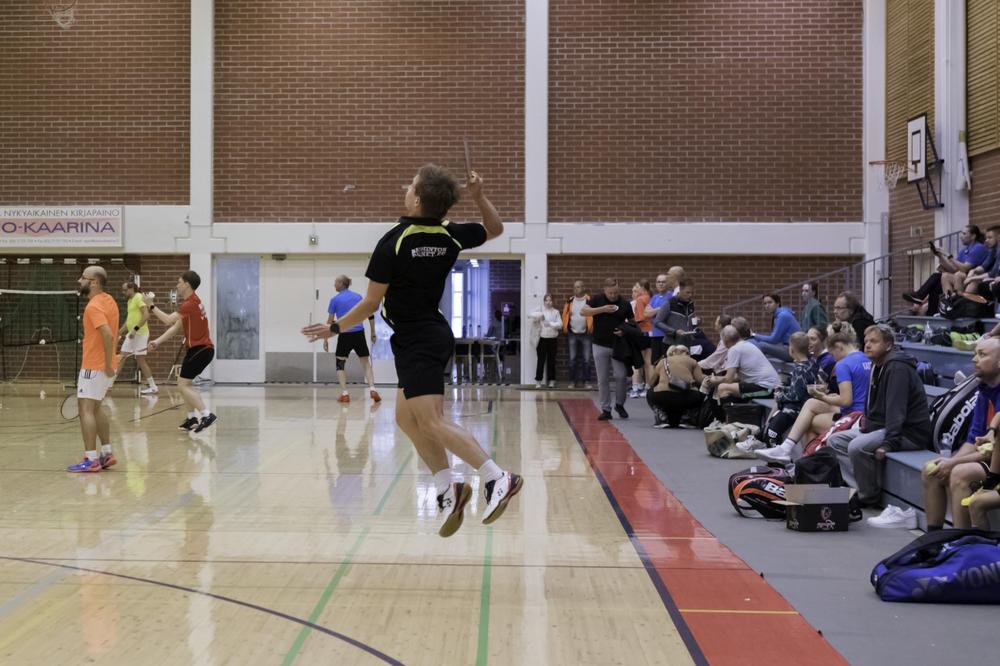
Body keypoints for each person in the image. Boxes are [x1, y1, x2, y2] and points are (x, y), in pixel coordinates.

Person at [301, 164, 522, 537]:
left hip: (420, 339)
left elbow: (371, 303)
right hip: (421, 336)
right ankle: (447, 487)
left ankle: (497, 476)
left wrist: (335, 326)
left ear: (417, 199)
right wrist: (480, 197)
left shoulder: (394, 241)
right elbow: (495, 229)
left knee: (432, 421)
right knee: (407, 419)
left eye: (411, 186)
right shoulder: (450, 233)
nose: (406, 188)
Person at [827, 325, 932, 518]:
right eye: (866, 341)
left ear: (888, 345)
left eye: (874, 341)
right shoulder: (878, 365)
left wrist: (889, 443)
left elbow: (896, 409)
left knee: (856, 446)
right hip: (884, 427)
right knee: (835, 440)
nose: (867, 345)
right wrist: (868, 428)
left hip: (908, 433)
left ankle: (868, 496)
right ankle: (860, 487)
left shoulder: (897, 368)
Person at [756, 322, 870, 463]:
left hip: (853, 416)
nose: (833, 358)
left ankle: (804, 462)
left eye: (832, 353)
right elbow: (857, 392)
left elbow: (846, 401)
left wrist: (823, 397)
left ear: (839, 347)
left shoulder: (843, 364)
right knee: (811, 403)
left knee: (810, 423)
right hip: (862, 411)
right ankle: (796, 457)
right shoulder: (865, 358)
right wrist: (829, 397)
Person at [922, 337, 1000, 530]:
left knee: (959, 473)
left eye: (982, 354)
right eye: (975, 354)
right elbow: (973, 439)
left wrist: (954, 463)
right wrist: (949, 462)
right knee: (932, 471)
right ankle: (934, 537)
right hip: (990, 460)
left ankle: (960, 540)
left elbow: (993, 450)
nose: (974, 359)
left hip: (997, 463)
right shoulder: (984, 390)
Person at [145, 271, 218, 433]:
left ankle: (207, 415)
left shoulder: (190, 304)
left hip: (201, 349)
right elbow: (176, 327)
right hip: (199, 350)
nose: (177, 286)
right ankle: (192, 419)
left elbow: (168, 320)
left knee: (183, 385)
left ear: (187, 285)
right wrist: (157, 341)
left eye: (179, 282)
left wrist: (151, 305)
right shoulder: (192, 303)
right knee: (185, 384)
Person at [66, 266, 120, 473]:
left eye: (83, 277)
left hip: (95, 366)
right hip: (105, 366)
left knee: (85, 410)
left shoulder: (93, 307)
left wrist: (106, 364)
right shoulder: (109, 300)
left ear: (94, 283)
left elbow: (107, 334)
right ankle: (107, 453)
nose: (79, 281)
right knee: (96, 409)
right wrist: (110, 362)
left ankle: (91, 459)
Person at [903, 225, 989, 314]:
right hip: (959, 278)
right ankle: (932, 311)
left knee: (937, 276)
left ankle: (920, 296)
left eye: (964, 234)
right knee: (937, 284)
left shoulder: (979, 248)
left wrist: (949, 256)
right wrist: (940, 256)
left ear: (973, 236)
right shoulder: (964, 251)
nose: (961, 236)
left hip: (970, 279)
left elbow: (964, 268)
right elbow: (954, 269)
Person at [581, 278, 634, 421]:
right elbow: (583, 311)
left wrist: (624, 331)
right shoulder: (597, 299)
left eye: (616, 292)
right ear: (604, 290)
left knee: (621, 375)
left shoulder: (625, 304)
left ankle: (620, 404)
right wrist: (602, 309)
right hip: (599, 344)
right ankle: (606, 409)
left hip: (618, 345)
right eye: (610, 293)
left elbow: (632, 322)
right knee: (602, 378)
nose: (613, 295)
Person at [324, 274, 380, 404]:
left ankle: (345, 394)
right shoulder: (358, 297)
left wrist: (325, 339)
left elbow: (329, 322)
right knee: (365, 362)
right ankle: (372, 389)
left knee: (340, 364)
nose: (334, 285)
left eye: (335, 282)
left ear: (341, 284)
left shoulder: (335, 300)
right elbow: (370, 315)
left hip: (344, 334)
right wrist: (373, 332)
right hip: (359, 334)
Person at [703, 324, 779, 400]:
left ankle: (729, 407)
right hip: (771, 386)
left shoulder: (734, 349)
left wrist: (714, 380)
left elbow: (729, 379)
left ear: (725, 340)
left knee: (723, 388)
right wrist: (717, 379)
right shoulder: (745, 344)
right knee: (728, 387)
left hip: (767, 387)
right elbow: (736, 377)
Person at [646, 345, 704, 428]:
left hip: (662, 395)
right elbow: (700, 380)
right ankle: (687, 417)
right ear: (686, 353)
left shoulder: (663, 361)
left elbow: (651, 382)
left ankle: (662, 416)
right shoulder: (692, 361)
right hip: (687, 395)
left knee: (650, 393)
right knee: (700, 394)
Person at [118, 281, 158, 395]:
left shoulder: (139, 297)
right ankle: (109, 385)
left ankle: (153, 387)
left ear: (132, 289)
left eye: (125, 290)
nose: (123, 292)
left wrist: (135, 330)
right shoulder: (130, 301)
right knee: (121, 357)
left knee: (140, 360)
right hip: (132, 334)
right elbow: (128, 321)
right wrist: (118, 333)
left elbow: (146, 315)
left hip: (140, 334)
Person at [562, 280, 593, 388]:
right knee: (572, 359)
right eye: (575, 287)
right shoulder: (570, 301)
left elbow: (594, 315)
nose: (576, 289)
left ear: (583, 288)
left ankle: (587, 381)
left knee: (587, 359)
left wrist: (591, 328)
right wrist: (565, 327)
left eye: (578, 287)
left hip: (586, 334)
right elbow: (565, 315)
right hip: (572, 334)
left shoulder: (589, 301)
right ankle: (572, 381)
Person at [752, 293, 801, 361]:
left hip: (793, 351)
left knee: (762, 345)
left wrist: (755, 335)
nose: (767, 306)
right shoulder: (779, 315)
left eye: (770, 302)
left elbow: (774, 339)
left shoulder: (782, 316)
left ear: (777, 303)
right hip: (786, 347)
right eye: (765, 303)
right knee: (755, 342)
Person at [529, 294, 562, 388]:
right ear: (544, 301)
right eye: (546, 300)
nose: (548, 302)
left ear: (553, 301)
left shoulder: (556, 312)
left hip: (553, 340)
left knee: (552, 361)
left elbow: (560, 325)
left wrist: (550, 323)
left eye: (550, 300)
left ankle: (552, 380)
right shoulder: (540, 310)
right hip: (542, 340)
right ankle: (538, 381)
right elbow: (529, 314)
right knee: (541, 361)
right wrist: (540, 315)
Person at [629, 281, 654, 398]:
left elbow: (639, 318)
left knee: (640, 361)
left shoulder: (640, 300)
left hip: (643, 331)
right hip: (652, 332)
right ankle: (648, 386)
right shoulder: (652, 298)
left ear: (642, 288)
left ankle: (638, 387)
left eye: (637, 288)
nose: (635, 290)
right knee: (649, 362)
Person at [646, 273, 672, 366]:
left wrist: (654, 310)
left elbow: (667, 312)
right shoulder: (654, 297)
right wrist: (660, 309)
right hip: (655, 334)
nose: (661, 284)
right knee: (655, 362)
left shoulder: (671, 297)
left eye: (663, 282)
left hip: (666, 335)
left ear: (668, 283)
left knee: (666, 362)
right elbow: (646, 313)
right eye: (658, 282)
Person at [806, 324, 838, 394]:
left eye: (813, 339)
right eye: (807, 339)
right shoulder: (812, 357)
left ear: (823, 341)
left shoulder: (828, 360)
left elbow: (817, 385)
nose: (808, 342)